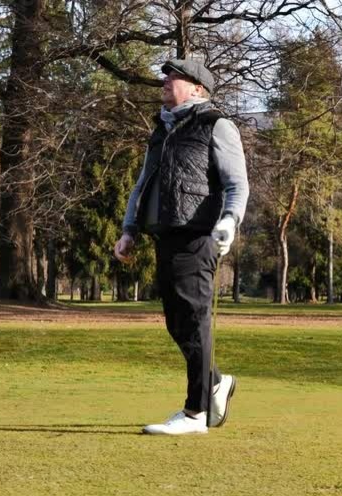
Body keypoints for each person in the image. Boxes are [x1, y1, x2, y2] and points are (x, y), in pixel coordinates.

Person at [114, 58, 248, 435]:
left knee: (194, 320)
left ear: (197, 89)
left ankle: (195, 413)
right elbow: (143, 184)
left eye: (174, 77)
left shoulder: (217, 125)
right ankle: (215, 382)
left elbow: (236, 184)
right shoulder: (161, 130)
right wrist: (129, 230)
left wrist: (229, 221)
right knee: (178, 322)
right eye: (166, 76)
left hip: (198, 236)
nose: (166, 81)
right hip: (166, 235)